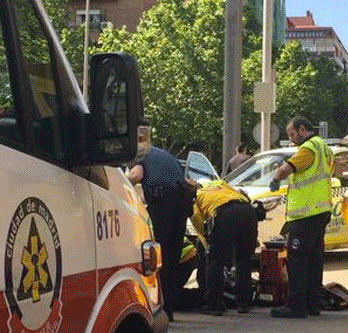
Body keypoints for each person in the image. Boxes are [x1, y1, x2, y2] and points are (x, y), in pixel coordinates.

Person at [268, 115, 334, 319]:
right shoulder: (324, 147)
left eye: (292, 134)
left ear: (303, 129)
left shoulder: (309, 148)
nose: (291, 139)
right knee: (314, 260)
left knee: (297, 260)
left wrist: (276, 176)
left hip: (305, 214)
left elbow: (289, 167)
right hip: (320, 211)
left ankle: (296, 306)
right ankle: (313, 304)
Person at [128, 147, 195, 322]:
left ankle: (159, 308)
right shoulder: (162, 154)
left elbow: (136, 176)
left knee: (159, 257)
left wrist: (122, 184)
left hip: (164, 204)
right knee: (172, 258)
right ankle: (169, 309)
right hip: (182, 204)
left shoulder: (139, 155)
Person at [189, 180, 258, 316]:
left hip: (224, 214)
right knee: (244, 260)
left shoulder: (197, 196)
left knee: (215, 261)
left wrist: (207, 239)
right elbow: (242, 195)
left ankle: (214, 305)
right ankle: (243, 303)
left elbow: (196, 217)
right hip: (247, 211)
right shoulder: (221, 184)